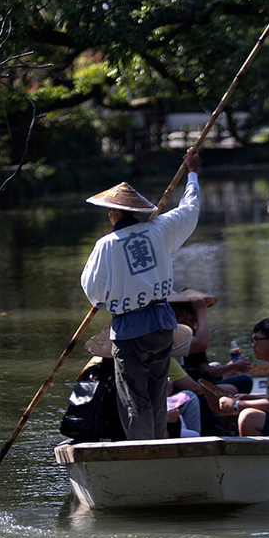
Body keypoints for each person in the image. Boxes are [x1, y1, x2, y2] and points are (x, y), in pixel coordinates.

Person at [80, 148, 201, 441]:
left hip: (130, 329)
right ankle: (156, 443)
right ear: (135, 211)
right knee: (157, 393)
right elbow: (189, 209)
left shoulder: (106, 245)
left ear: (111, 213)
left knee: (133, 397)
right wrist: (192, 173)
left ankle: (142, 447)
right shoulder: (159, 228)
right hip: (161, 324)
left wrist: (109, 296)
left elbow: (94, 292)